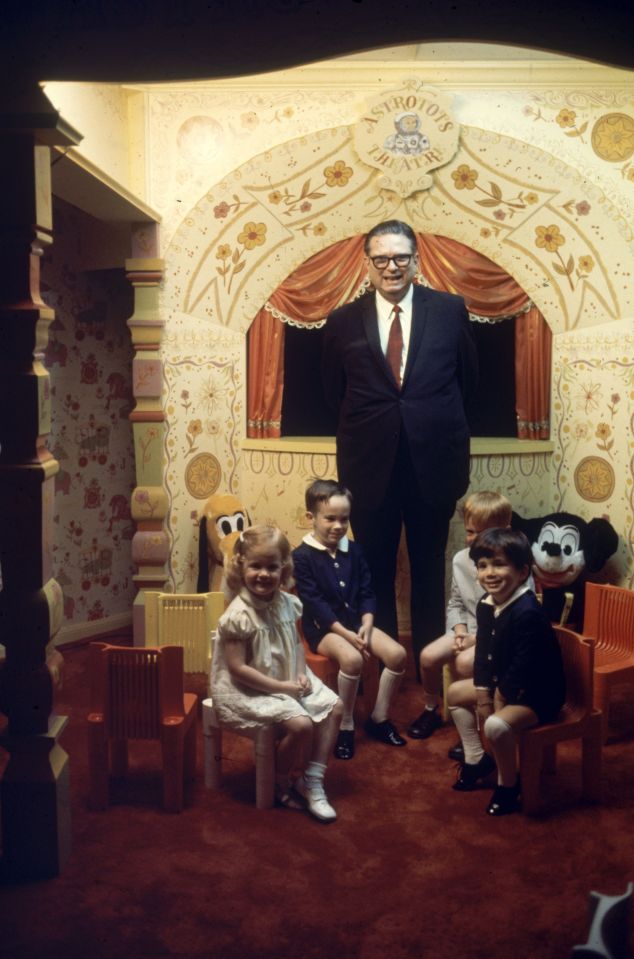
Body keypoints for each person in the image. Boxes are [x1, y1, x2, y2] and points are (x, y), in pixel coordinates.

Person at [322, 219, 478, 679]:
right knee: (374, 574)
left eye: (401, 257)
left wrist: (427, 420)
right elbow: (334, 393)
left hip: (433, 465)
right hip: (370, 468)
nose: (392, 267)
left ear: (416, 261)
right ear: (367, 263)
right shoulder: (341, 320)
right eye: (382, 258)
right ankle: (386, 676)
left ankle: (431, 679)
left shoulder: (451, 310)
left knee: (430, 573)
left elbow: (468, 383)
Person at [210, 524, 343, 823]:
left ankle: (311, 778)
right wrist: (282, 687)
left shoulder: (286, 603)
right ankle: (278, 779)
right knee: (302, 725)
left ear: (283, 569)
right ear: (241, 565)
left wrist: (299, 673)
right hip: (247, 687)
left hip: (284, 678)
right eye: (256, 566)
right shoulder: (238, 615)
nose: (264, 574)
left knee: (336, 708)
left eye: (272, 567)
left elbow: (295, 644)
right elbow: (237, 669)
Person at [447, 528, 566, 816]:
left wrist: (497, 699)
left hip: (537, 694)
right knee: (454, 694)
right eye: (482, 566)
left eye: (499, 564)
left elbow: (524, 666)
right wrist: (482, 694)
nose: (489, 573)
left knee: (495, 725)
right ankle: (477, 759)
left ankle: (508, 785)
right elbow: (484, 658)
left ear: (523, 571)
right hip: (506, 682)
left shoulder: (527, 612)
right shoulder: (487, 605)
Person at [293, 479, 407, 760]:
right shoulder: (302, 556)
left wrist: (367, 624)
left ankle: (378, 718)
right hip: (325, 628)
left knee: (398, 654)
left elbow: (367, 592)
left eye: (344, 519)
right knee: (353, 659)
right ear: (312, 517)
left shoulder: (354, 551)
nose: (337, 526)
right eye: (329, 518)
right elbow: (315, 604)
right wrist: (347, 636)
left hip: (357, 623)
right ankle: (346, 726)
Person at [407, 491, 513, 754]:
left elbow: (512, 616)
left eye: (483, 533)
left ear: (504, 531)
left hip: (498, 635)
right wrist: (460, 630)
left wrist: (476, 639)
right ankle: (431, 709)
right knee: (428, 657)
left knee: (465, 662)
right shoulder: (459, 560)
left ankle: (474, 730)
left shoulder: (513, 563)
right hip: (467, 628)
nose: (474, 539)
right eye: (470, 531)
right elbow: (455, 602)